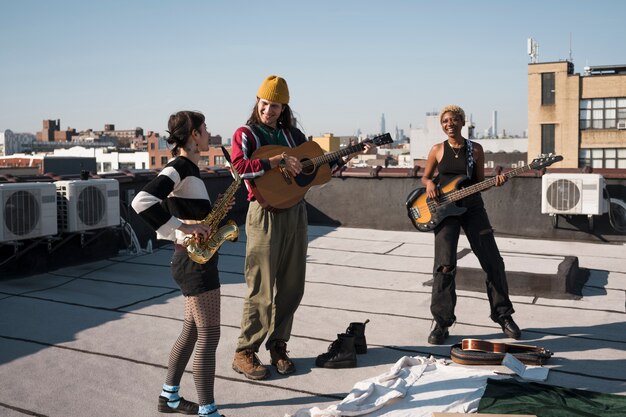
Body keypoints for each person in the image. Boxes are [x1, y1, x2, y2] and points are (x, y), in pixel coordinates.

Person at [229, 75, 370, 380]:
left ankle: (278, 345)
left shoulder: (295, 136)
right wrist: (277, 160)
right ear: (257, 102)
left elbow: (316, 171)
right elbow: (239, 168)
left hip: (296, 213)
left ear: (283, 107)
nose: (268, 110)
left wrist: (349, 154)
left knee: (293, 286)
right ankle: (245, 351)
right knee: (261, 287)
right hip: (264, 213)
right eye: (264, 103)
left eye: (275, 105)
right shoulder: (247, 134)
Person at [131, 111, 226, 416]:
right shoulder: (180, 166)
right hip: (192, 261)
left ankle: (169, 397)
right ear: (194, 135)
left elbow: (189, 213)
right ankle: (208, 411)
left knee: (192, 330)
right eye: (205, 128)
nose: (209, 133)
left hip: (194, 258)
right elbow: (142, 201)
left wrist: (206, 218)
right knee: (209, 335)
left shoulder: (190, 168)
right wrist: (183, 229)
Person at [421, 104, 521, 345]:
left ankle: (503, 315)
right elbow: (425, 176)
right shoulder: (437, 150)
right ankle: (442, 323)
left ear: (462, 122)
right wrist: (429, 183)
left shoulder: (474, 149)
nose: (449, 124)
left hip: (473, 207)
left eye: (454, 119)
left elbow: (478, 181)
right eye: (445, 121)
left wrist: (494, 182)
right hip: (445, 211)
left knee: (493, 261)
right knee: (444, 266)